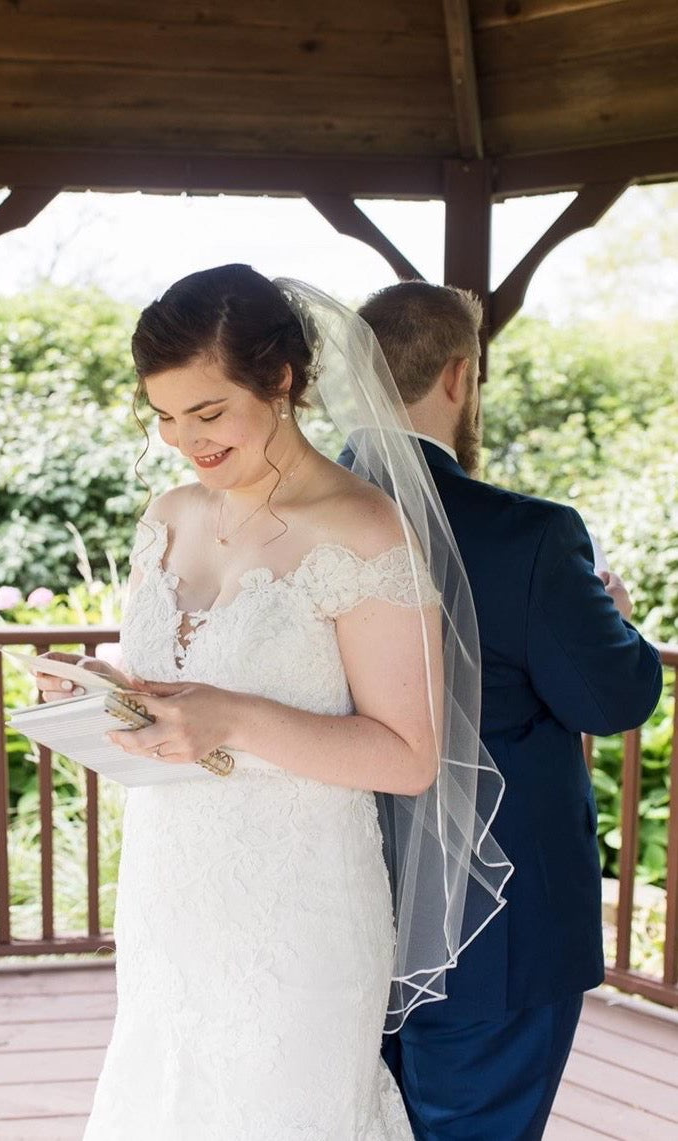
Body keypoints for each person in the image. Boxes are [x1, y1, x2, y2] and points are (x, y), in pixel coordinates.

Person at [36, 265, 509, 1140]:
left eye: (208, 413)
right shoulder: (168, 514)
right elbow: (184, 669)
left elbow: (408, 754)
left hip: (300, 910)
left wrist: (235, 718)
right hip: (169, 890)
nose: (184, 440)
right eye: (165, 415)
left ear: (281, 381)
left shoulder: (364, 531)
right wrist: (101, 683)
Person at [340, 280, 663, 1141]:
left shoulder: (291, 524)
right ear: (459, 377)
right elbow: (616, 694)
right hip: (500, 929)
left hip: (337, 908)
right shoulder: (531, 535)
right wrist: (619, 620)